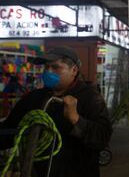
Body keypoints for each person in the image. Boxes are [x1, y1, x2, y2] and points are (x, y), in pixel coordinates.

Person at [0, 46, 112, 177]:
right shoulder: (33, 98)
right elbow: (10, 131)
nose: (48, 72)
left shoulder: (90, 98)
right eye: (46, 67)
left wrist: (76, 119)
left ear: (74, 70)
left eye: (55, 67)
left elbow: (102, 138)